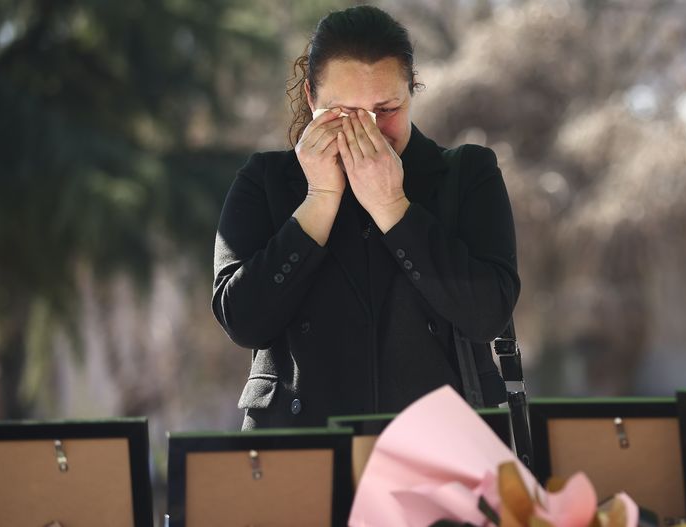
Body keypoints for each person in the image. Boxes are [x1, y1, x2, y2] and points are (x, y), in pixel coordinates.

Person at [212, 5, 520, 429]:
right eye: (346, 113)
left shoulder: (467, 174)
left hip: (439, 451)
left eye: (387, 109)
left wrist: (393, 207)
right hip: (301, 450)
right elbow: (242, 320)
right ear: (311, 99)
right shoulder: (265, 181)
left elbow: (488, 314)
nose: (369, 130)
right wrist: (319, 200)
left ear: (412, 91)